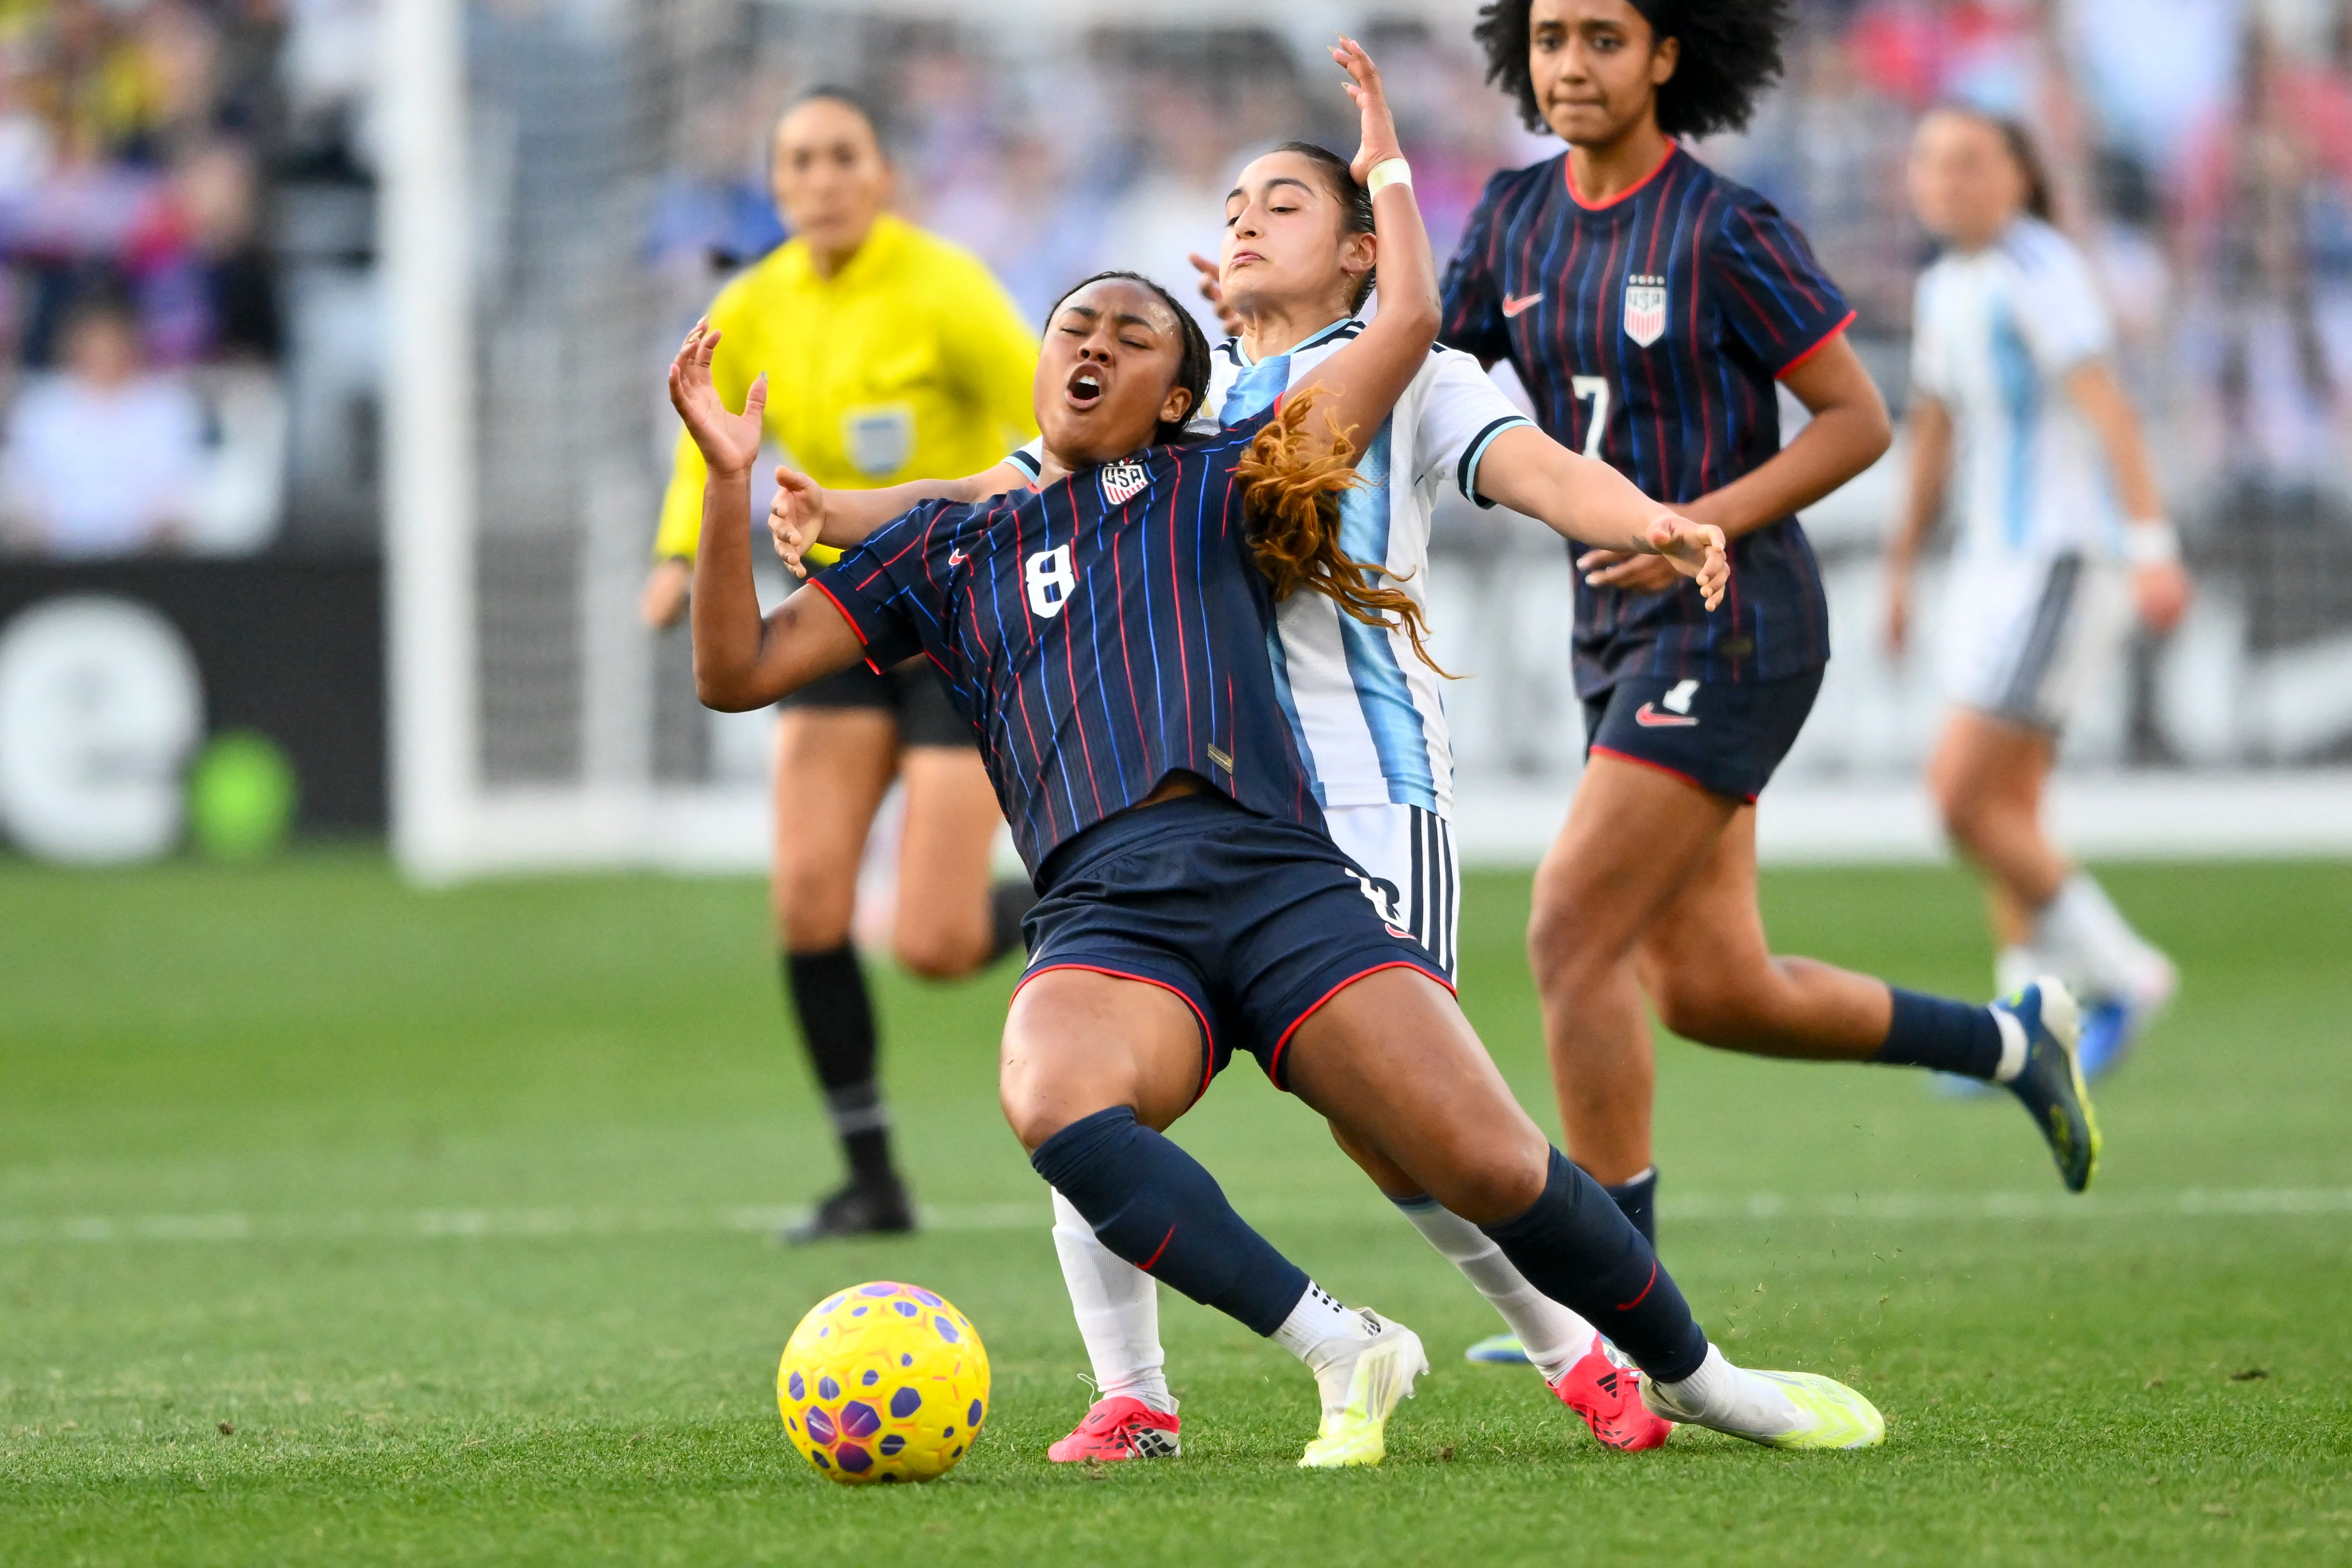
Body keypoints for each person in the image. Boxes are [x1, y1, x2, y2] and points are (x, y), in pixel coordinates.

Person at [679, 36, 1886, 1468]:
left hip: (1328, 811)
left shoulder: (1270, 441)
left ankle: (1627, 1359)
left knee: (1434, 1145)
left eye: (1280, 203)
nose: (1238, 219)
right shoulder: (1039, 502)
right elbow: (906, 548)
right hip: (1120, 871)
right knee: (1079, 1090)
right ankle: (1169, 1381)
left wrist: (1651, 518)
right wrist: (778, 495)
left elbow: (1505, 430)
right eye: (1075, 323)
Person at [1440, 0, 2101, 1288]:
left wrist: (1699, 522)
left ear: (1670, 54)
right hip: (1614, 624)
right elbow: (1428, 376)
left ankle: (1616, 1297)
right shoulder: (1510, 221)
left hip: (1736, 621)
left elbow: (1857, 420)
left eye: (1605, 37)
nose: (1572, 64)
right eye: (1552, 36)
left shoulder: (1723, 227)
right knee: (1709, 986)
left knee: (1569, 931)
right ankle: (2013, 1041)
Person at [642, 87, 1041, 1242]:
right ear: (776, 186)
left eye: (840, 157)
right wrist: (677, 556)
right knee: (808, 900)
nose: (818, 178)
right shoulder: (754, 299)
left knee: (929, 940)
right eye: (798, 161)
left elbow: (1043, 410)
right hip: (838, 607)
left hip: (955, 613)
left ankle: (1092, 894)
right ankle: (871, 1180)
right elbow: (705, 439)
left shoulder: (944, 287)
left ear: (881, 176)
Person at [1889, 107, 2189, 1075]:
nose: (1947, 180)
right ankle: (2031, 1021)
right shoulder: (1945, 285)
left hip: (2061, 557)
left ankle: (2127, 974)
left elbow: (2111, 410)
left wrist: (2151, 545)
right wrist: (1899, 566)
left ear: (2018, 178)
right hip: (1991, 567)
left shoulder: (2039, 270)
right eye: (1931, 162)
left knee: (1959, 800)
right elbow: (1932, 432)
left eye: (1970, 162)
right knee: (2007, 805)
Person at [1, 291, 203, 558]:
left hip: (146, 558)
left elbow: (182, 484)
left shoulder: (169, 406)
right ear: (74, 348)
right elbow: (22, 485)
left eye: (113, 345)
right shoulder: (40, 408)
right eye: (95, 345)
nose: (104, 356)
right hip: (52, 557)